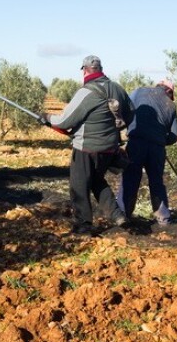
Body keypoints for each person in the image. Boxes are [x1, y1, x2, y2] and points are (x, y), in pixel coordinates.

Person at [41, 56, 134, 235]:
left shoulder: (86, 92)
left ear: (84, 70)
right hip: (109, 148)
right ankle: (118, 216)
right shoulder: (117, 88)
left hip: (86, 149)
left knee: (79, 186)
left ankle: (84, 225)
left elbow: (64, 121)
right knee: (97, 181)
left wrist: (46, 118)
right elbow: (130, 114)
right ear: (100, 69)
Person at [116, 80, 177, 225]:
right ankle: (164, 218)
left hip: (136, 142)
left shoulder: (139, 91)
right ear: (169, 91)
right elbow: (174, 136)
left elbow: (124, 110)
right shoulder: (171, 105)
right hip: (157, 149)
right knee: (156, 182)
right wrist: (162, 140)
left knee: (130, 178)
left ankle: (123, 215)